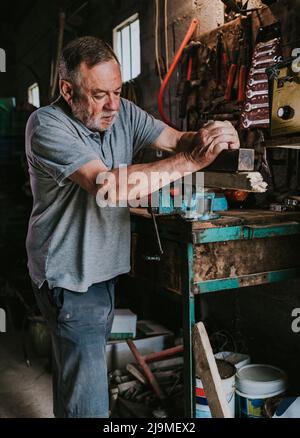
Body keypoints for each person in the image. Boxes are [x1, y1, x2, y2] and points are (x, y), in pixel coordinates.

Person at [25, 36, 239, 418]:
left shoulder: (122, 112)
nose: (112, 105)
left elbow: (176, 140)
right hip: (69, 277)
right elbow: (107, 186)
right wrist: (190, 162)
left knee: (76, 379)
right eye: (99, 94)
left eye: (118, 92)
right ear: (67, 89)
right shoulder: (46, 126)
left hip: (100, 271)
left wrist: (210, 137)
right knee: (88, 403)